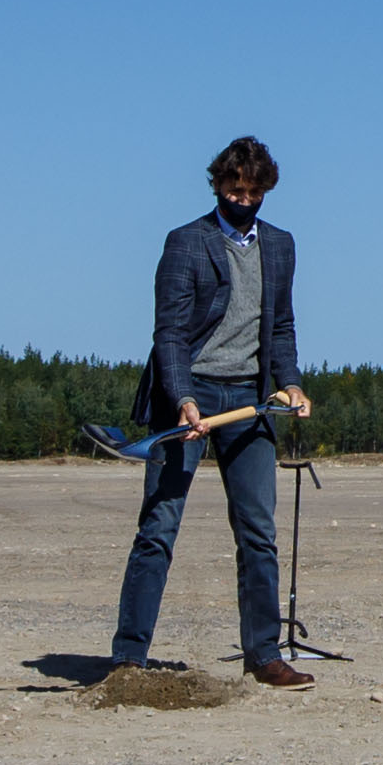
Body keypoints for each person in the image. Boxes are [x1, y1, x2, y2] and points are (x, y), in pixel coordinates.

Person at [110, 137, 310, 688]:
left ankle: (264, 654)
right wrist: (184, 400)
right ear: (217, 185)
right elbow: (169, 335)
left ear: (266, 190)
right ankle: (129, 658)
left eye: (253, 192)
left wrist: (289, 384)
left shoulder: (281, 246)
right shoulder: (185, 243)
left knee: (258, 533)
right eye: (233, 189)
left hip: (251, 402)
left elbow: (282, 327)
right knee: (159, 527)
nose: (243, 200)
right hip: (189, 396)